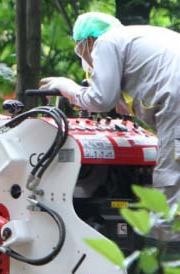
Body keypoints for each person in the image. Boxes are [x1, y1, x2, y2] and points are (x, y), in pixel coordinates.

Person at [39, 12, 180, 240]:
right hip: (174, 99)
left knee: (172, 173)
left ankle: (162, 251)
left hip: (176, 103)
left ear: (87, 42)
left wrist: (68, 88)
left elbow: (100, 99)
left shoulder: (106, 41)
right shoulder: (137, 37)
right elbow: (141, 85)